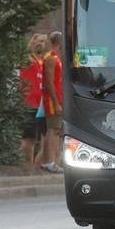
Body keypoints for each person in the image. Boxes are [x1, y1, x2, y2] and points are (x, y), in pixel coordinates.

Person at [19, 34, 46, 165]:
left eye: (43, 41)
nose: (40, 43)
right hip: (29, 104)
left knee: (39, 140)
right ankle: (27, 167)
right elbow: (23, 55)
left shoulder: (41, 61)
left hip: (41, 105)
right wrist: (29, 45)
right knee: (28, 139)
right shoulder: (28, 59)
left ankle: (34, 167)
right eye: (38, 41)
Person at [40, 31, 64, 173]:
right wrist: (55, 102)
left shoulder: (56, 58)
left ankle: (53, 161)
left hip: (58, 99)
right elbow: (49, 82)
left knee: (56, 130)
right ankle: (49, 162)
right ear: (60, 42)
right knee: (52, 130)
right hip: (52, 100)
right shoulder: (51, 58)